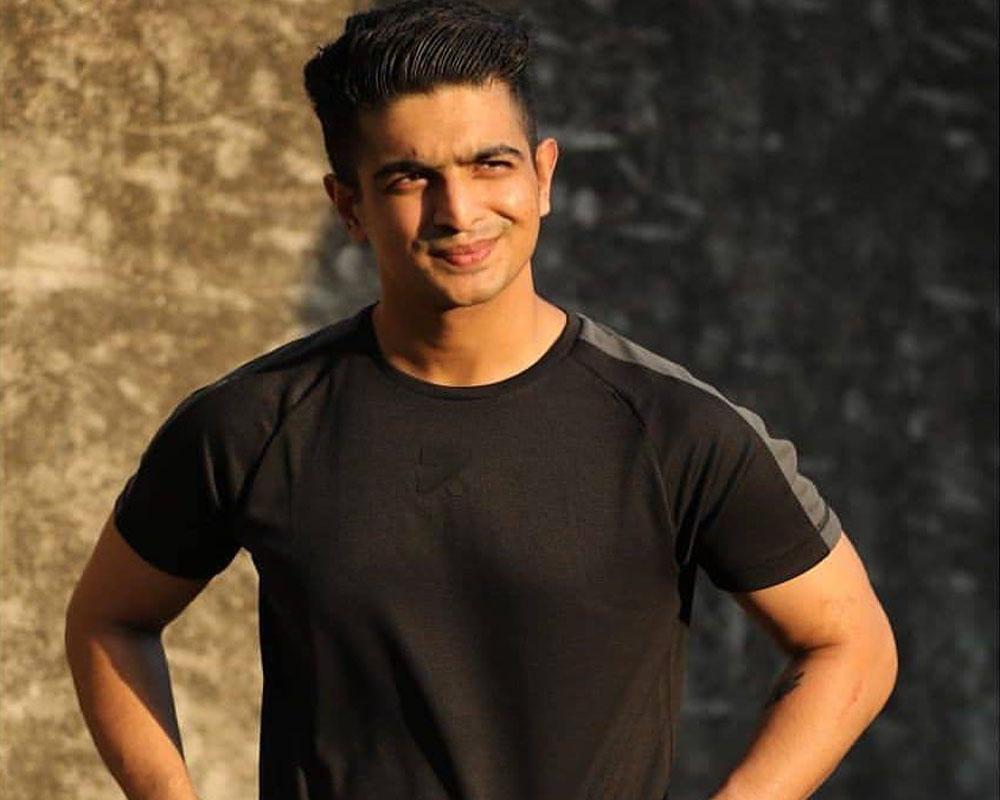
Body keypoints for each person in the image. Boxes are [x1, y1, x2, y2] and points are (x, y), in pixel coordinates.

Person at [64, 2, 898, 799]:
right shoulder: (252, 423)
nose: (458, 211)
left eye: (490, 164)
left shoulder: (673, 428)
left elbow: (850, 644)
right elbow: (109, 620)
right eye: (409, 177)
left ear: (543, 177)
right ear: (349, 206)